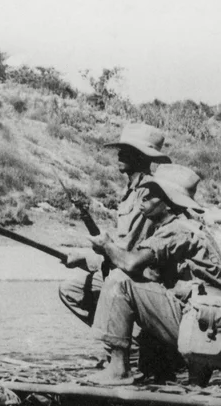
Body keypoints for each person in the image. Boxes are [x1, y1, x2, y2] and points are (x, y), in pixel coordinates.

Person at [83, 163, 221, 385]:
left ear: (169, 204)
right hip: (204, 328)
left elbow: (130, 264)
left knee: (119, 281)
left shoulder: (176, 230)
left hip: (196, 325)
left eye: (151, 195)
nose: (142, 199)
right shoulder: (190, 227)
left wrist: (106, 246)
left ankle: (118, 369)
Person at [59, 122, 171, 326]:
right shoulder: (130, 192)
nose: (119, 155)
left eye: (126, 151)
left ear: (142, 156)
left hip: (140, 280)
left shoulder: (148, 194)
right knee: (71, 290)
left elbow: (128, 249)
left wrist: (84, 258)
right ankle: (114, 333)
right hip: (124, 272)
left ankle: (131, 342)